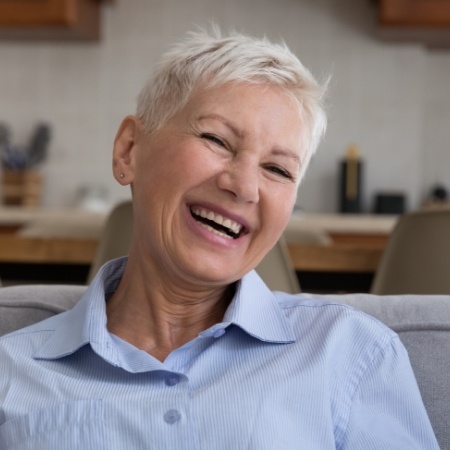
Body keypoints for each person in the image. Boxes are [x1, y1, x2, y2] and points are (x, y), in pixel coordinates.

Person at [0, 27, 439, 449]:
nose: (244, 186)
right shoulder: (12, 372)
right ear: (129, 150)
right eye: (216, 140)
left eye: (278, 170)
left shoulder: (351, 352)